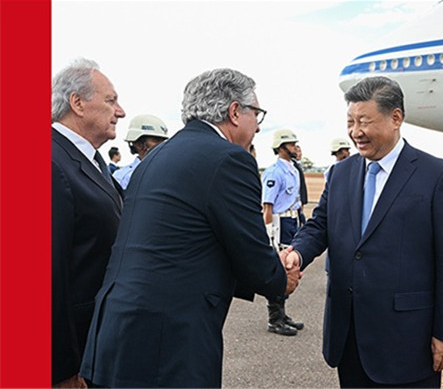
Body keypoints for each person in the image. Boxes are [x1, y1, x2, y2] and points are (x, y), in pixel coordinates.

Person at [79, 68, 299, 388]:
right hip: (166, 343)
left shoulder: (156, 157)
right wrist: (279, 278)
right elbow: (248, 248)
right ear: (235, 112)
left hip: (115, 335)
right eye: (257, 114)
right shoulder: (229, 160)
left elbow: (185, 245)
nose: (259, 126)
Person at [285, 76, 443, 388]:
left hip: (408, 341)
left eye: (364, 121)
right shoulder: (340, 173)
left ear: (395, 118)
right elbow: (320, 224)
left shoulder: (436, 176)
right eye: (350, 121)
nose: (355, 132)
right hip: (350, 336)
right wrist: (298, 253)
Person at [51, 58, 126, 387]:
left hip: (97, 343)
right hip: (73, 355)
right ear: (77, 103)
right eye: (110, 100)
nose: (120, 111)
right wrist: (60, 368)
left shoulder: (90, 161)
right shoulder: (51, 162)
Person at [261, 129, 305, 336]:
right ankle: (274, 319)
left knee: (288, 267)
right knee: (279, 268)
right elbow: (267, 206)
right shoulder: (273, 172)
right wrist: (269, 233)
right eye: (291, 144)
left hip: (291, 221)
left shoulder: (294, 169)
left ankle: (282, 313)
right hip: (279, 223)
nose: (296, 147)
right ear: (281, 147)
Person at [112, 114, 169, 189]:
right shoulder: (122, 177)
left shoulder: (169, 172)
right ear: (139, 144)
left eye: (163, 140)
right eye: (156, 140)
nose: (162, 145)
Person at [293, 144, 308, 226]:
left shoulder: (297, 165)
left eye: (300, 151)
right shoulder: (293, 166)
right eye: (297, 151)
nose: (299, 153)